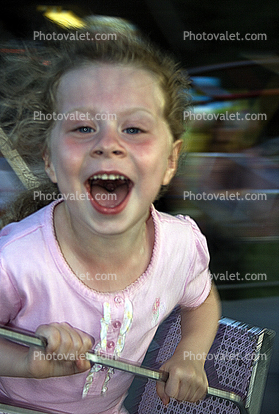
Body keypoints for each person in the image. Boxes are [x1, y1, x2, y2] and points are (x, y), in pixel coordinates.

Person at [0, 25, 221, 414]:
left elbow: (200, 300)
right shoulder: (14, 260)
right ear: (50, 160)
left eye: (134, 128)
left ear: (171, 160)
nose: (107, 144)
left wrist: (191, 352)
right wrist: (26, 362)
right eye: (83, 128)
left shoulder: (181, 245)